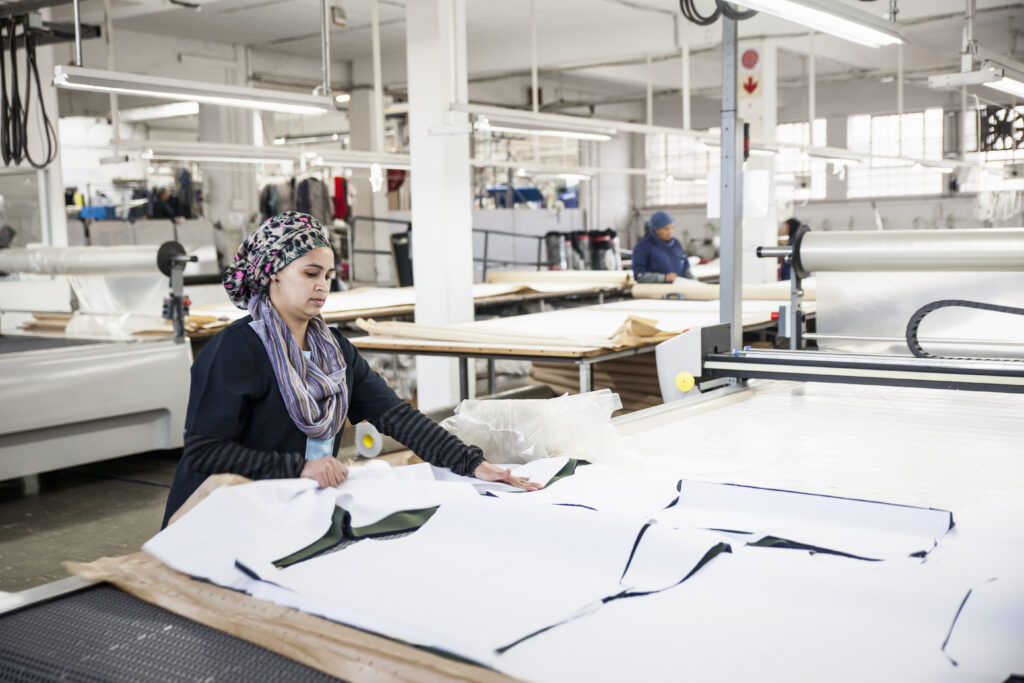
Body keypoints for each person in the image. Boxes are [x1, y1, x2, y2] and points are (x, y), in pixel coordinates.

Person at [162, 211, 540, 527]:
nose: (322, 286)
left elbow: (395, 416)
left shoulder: (332, 350)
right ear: (273, 272)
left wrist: (472, 464)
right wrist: (299, 467)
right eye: (310, 274)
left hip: (294, 508)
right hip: (217, 518)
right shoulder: (236, 350)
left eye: (328, 276)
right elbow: (205, 453)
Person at [631, 210, 694, 283]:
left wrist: (694, 282)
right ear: (656, 229)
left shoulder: (676, 244)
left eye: (672, 228)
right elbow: (639, 275)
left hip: (678, 286)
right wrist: (664, 278)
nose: (670, 232)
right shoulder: (643, 246)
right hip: (657, 288)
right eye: (666, 229)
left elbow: (685, 268)